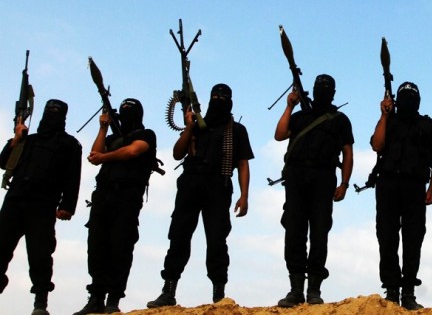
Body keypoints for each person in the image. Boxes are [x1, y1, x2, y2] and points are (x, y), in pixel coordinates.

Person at [148, 84, 252, 308]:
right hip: (191, 183)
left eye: (223, 97)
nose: (219, 100)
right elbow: (177, 153)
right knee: (179, 235)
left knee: (217, 240)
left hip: (219, 185)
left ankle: (219, 295)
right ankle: (168, 291)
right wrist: (188, 127)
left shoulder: (237, 130)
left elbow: (243, 164)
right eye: (215, 96)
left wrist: (244, 195)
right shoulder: (196, 125)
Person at [274, 74, 354, 307]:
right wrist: (290, 106)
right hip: (296, 177)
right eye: (320, 87)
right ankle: (295, 289)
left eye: (327, 87)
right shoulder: (300, 116)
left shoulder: (340, 120)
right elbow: (279, 135)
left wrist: (344, 183)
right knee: (294, 231)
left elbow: (348, 153)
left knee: (319, 233)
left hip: (323, 178)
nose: (323, 90)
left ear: (333, 93)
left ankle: (314, 290)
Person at [73, 99, 158, 314]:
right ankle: (96, 298)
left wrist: (105, 157)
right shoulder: (112, 138)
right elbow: (94, 155)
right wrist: (103, 128)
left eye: (129, 110)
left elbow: (132, 151)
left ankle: (113, 299)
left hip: (127, 197)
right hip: (103, 196)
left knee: (121, 246)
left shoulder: (147, 134)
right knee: (96, 246)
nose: (125, 113)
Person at [0, 99, 82, 315]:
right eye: (49, 110)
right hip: (15, 200)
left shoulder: (70, 145)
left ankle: (40, 302)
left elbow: (73, 178)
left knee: (40, 255)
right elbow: (3, 162)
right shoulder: (27, 140)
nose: (52, 114)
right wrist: (16, 139)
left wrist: (67, 206)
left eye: (56, 111)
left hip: (43, 205)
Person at [370, 82, 432, 310]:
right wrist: (384, 115)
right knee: (387, 237)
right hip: (387, 184)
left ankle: (409, 292)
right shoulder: (389, 121)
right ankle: (392, 289)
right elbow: (377, 145)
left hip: (415, 187)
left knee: (413, 239)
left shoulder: (429, 126)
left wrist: (431, 189)